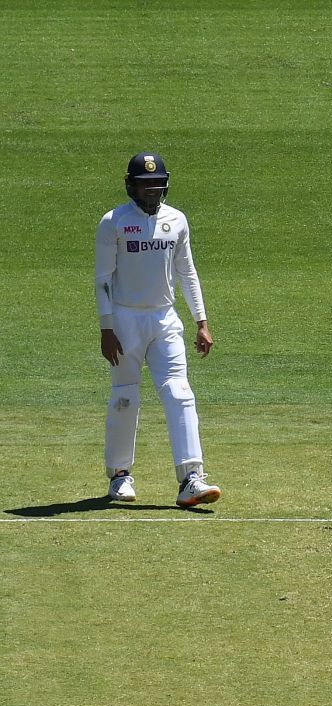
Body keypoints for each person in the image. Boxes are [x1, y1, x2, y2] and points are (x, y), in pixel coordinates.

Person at [95, 153, 220, 507]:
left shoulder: (177, 220)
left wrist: (202, 322)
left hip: (165, 320)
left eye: (156, 183)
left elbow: (187, 272)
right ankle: (120, 476)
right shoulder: (113, 222)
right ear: (131, 185)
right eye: (145, 184)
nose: (151, 190)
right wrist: (106, 328)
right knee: (125, 396)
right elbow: (103, 280)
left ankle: (191, 478)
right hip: (124, 320)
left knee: (180, 392)